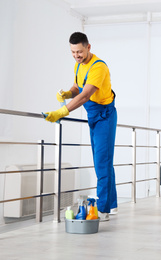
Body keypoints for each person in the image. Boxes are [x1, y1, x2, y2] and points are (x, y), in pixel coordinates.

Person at [44, 32, 118, 221]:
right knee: (103, 160)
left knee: (102, 162)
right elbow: (78, 87)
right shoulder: (79, 65)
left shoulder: (98, 67)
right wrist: (67, 93)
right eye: (73, 52)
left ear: (89, 47)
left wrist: (61, 112)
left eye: (79, 51)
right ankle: (111, 203)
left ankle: (103, 209)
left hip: (105, 116)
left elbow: (85, 95)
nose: (76, 55)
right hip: (93, 116)